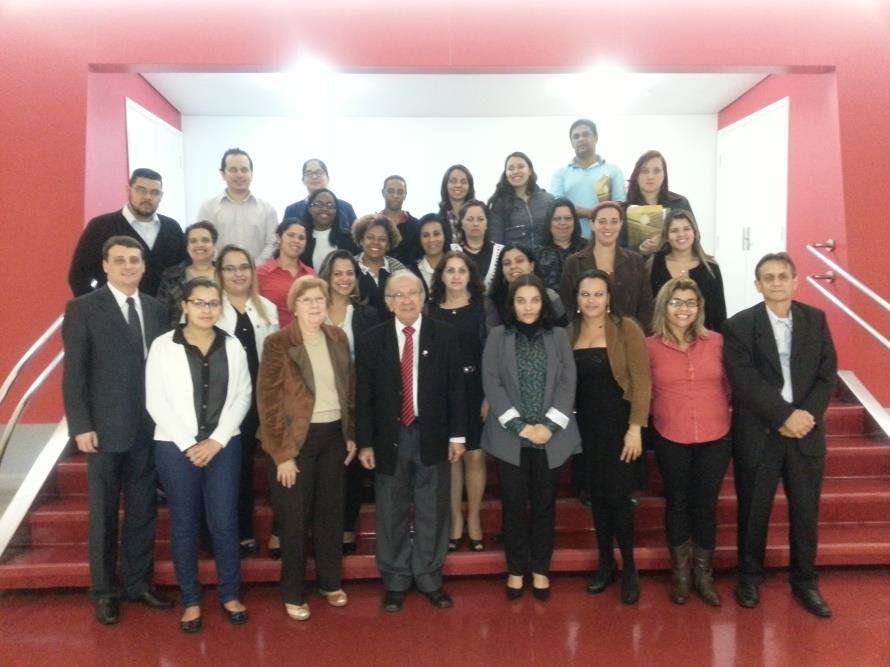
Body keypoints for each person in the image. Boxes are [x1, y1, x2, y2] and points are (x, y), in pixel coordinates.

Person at [62, 235, 173, 625]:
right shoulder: (83, 309)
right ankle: (104, 591)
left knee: (143, 511)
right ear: (106, 265)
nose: (129, 266)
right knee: (105, 513)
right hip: (104, 432)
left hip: (149, 429)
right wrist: (81, 425)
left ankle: (138, 584)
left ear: (144, 266)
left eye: (135, 260)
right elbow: (73, 374)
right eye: (120, 260)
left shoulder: (158, 309)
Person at [723, 252, 837, 618]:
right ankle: (750, 577)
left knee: (806, 512)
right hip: (760, 432)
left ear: (795, 280)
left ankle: (805, 581)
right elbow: (744, 381)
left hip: (806, 431)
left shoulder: (816, 320)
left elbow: (826, 374)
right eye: (767, 277)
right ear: (757, 285)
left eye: (782, 276)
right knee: (754, 511)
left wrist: (805, 416)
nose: (775, 283)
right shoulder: (740, 325)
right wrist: (783, 416)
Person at [356, 271, 467, 613]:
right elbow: (364, 396)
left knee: (433, 508)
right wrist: (365, 443)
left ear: (423, 297)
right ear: (388, 303)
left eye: (412, 293)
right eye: (398, 295)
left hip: (431, 434)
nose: (406, 300)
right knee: (391, 509)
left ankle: (430, 576)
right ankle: (396, 579)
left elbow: (456, 391)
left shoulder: (445, 335)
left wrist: (458, 436)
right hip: (390, 437)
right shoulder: (372, 339)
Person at [145, 277, 252, 633]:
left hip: (224, 446)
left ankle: (230, 594)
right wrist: (190, 444)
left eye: (213, 303)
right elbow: (155, 400)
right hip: (176, 449)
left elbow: (243, 396)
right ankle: (191, 600)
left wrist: (217, 440)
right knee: (185, 523)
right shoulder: (163, 346)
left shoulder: (233, 345)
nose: (207, 310)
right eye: (200, 303)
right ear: (185, 306)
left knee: (224, 523)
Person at [258, 276, 357, 622]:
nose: (315, 305)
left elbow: (349, 388)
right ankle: (293, 592)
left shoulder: (337, 337)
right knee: (294, 520)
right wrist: (282, 454)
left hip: (333, 438)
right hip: (295, 442)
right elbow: (268, 403)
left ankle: (330, 582)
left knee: (331, 514)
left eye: (319, 299)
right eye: (307, 300)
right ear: (294, 306)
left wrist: (350, 433)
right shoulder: (278, 344)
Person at [481, 274, 580, 601]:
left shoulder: (558, 336)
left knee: (544, 505)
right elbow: (492, 384)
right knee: (513, 505)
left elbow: (568, 383)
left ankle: (540, 569)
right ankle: (515, 569)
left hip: (550, 437)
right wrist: (521, 427)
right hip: (512, 437)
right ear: (512, 304)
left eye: (534, 300)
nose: (528, 307)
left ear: (544, 303)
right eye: (521, 300)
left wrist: (547, 427)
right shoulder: (497, 336)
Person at [647, 278, 731, 606]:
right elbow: (643, 390)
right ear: (664, 306)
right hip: (671, 434)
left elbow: (730, 385)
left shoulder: (718, 342)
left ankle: (704, 575)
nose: (684, 309)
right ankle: (681, 576)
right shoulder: (649, 346)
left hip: (716, 434)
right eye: (676, 302)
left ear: (700, 308)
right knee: (678, 502)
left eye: (690, 302)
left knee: (706, 504)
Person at [571, 269, 651, 605]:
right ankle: (606, 564)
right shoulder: (568, 331)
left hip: (619, 428)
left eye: (598, 294)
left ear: (609, 298)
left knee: (619, 501)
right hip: (585, 431)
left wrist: (636, 428)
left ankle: (629, 568)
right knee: (598, 501)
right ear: (577, 299)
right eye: (586, 294)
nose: (592, 300)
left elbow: (642, 381)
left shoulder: (626, 328)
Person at [214, 245, 280, 555]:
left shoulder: (266, 307)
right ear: (219, 274)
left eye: (244, 267)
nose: (238, 273)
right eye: (230, 268)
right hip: (226, 402)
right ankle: (238, 531)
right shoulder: (213, 308)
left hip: (262, 398)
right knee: (233, 469)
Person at [427, 251, 489, 552]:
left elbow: (492, 353)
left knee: (475, 456)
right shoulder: (431, 310)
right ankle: (455, 520)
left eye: (461, 270)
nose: (455, 276)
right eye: (449, 270)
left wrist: (489, 393)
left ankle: (474, 518)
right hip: (443, 392)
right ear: (440, 276)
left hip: (476, 386)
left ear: (470, 275)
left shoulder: (482, 309)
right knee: (452, 457)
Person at [319, 251, 379, 553]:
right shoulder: (314, 310)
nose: (344, 279)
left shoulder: (367, 315)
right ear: (327, 277)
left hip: (356, 402)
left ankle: (346, 528)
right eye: (337, 273)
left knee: (351, 469)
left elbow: (372, 364)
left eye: (349, 273)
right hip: (320, 402)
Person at [69, 168, 186, 296]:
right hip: (114, 313)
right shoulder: (100, 227)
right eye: (141, 190)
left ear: (161, 196)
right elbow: (78, 277)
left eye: (154, 192)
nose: (147, 197)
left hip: (164, 314)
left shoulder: (172, 228)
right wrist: (99, 308)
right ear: (128, 190)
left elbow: (183, 273)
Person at [560, 201, 654, 331]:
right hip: (587, 338)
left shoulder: (635, 261)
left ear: (621, 224)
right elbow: (568, 306)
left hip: (629, 337)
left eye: (614, 221)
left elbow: (646, 306)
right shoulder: (574, 263)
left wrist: (638, 335)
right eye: (602, 221)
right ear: (592, 224)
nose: (608, 227)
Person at [647, 209, 727, 332]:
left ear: (694, 232)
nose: (681, 235)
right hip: (662, 338)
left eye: (686, 229)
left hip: (701, 340)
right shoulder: (654, 264)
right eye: (674, 231)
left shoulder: (711, 268)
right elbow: (647, 307)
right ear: (666, 236)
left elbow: (719, 314)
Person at [195, 148, 278, 264]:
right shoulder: (208, 208)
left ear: (251, 174)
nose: (239, 175)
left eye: (244, 170)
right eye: (233, 170)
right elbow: (203, 241)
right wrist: (225, 267)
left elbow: (272, 244)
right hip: (219, 276)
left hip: (258, 276)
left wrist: (252, 268)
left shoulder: (268, 209)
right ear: (223, 174)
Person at [550, 119, 626, 239]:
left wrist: (593, 215)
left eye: (585, 134)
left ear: (596, 138)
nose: (581, 139)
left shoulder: (613, 170)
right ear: (571, 143)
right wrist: (591, 213)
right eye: (576, 136)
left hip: (605, 239)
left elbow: (619, 206)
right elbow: (557, 207)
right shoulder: (560, 174)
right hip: (571, 242)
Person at [625, 150, 693, 253]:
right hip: (637, 267)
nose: (650, 176)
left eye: (656, 171)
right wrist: (640, 249)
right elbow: (617, 248)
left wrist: (666, 243)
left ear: (664, 175)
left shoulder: (680, 203)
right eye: (644, 171)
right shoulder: (625, 207)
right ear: (636, 175)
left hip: (673, 265)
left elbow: (695, 237)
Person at [487, 244, 567, 328]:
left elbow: (565, 332)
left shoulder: (550, 297)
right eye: (507, 263)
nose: (513, 266)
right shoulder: (493, 302)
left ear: (532, 266)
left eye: (519, 261)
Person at [157, 221, 219, 328]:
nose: (199, 245)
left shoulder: (226, 274)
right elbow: (161, 312)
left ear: (214, 245)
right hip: (180, 338)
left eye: (205, 240)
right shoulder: (171, 276)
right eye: (193, 241)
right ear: (187, 246)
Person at [257, 218, 317, 327]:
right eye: (291, 235)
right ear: (279, 238)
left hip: (307, 339)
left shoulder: (312, 275)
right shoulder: (260, 274)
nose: (296, 240)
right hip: (274, 339)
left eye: (301, 238)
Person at [487, 151, 554, 248]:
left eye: (521, 166)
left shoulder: (549, 200)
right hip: (515, 261)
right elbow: (496, 243)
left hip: (548, 261)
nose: (515, 171)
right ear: (506, 174)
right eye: (510, 168)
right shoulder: (499, 205)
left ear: (530, 171)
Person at [353, 214, 407, 319]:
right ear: (361, 240)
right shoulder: (350, 266)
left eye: (382, 239)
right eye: (370, 237)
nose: (375, 242)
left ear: (388, 244)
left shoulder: (399, 269)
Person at [283, 158, 357, 232]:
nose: (314, 177)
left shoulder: (346, 208)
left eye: (319, 172)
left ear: (328, 178)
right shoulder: (291, 210)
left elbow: (357, 238)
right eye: (308, 173)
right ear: (303, 180)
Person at [300, 188, 359, 271]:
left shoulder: (348, 239)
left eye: (330, 205)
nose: (324, 209)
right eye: (318, 204)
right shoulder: (301, 239)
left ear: (336, 211)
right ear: (309, 209)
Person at [535, 198, 586, 291]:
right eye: (557, 219)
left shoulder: (588, 249)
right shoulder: (537, 253)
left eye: (567, 218)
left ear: (575, 221)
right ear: (549, 222)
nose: (562, 222)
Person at [454, 200, 503, 291]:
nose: (475, 224)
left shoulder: (501, 252)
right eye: (470, 219)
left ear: (487, 224)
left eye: (480, 219)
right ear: (461, 224)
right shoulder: (452, 251)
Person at [379, 175, 419, 264]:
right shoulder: (373, 224)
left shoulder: (416, 226)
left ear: (405, 195)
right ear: (383, 193)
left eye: (400, 192)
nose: (395, 196)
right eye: (390, 191)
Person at [410, 213, 452, 292]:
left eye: (436, 234)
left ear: (445, 235)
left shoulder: (457, 266)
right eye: (426, 235)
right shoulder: (411, 273)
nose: (431, 240)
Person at [438, 164, 476, 239]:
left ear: (470, 186)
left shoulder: (478, 216)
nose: (458, 185)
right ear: (445, 185)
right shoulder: (438, 220)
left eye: (463, 182)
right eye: (453, 181)